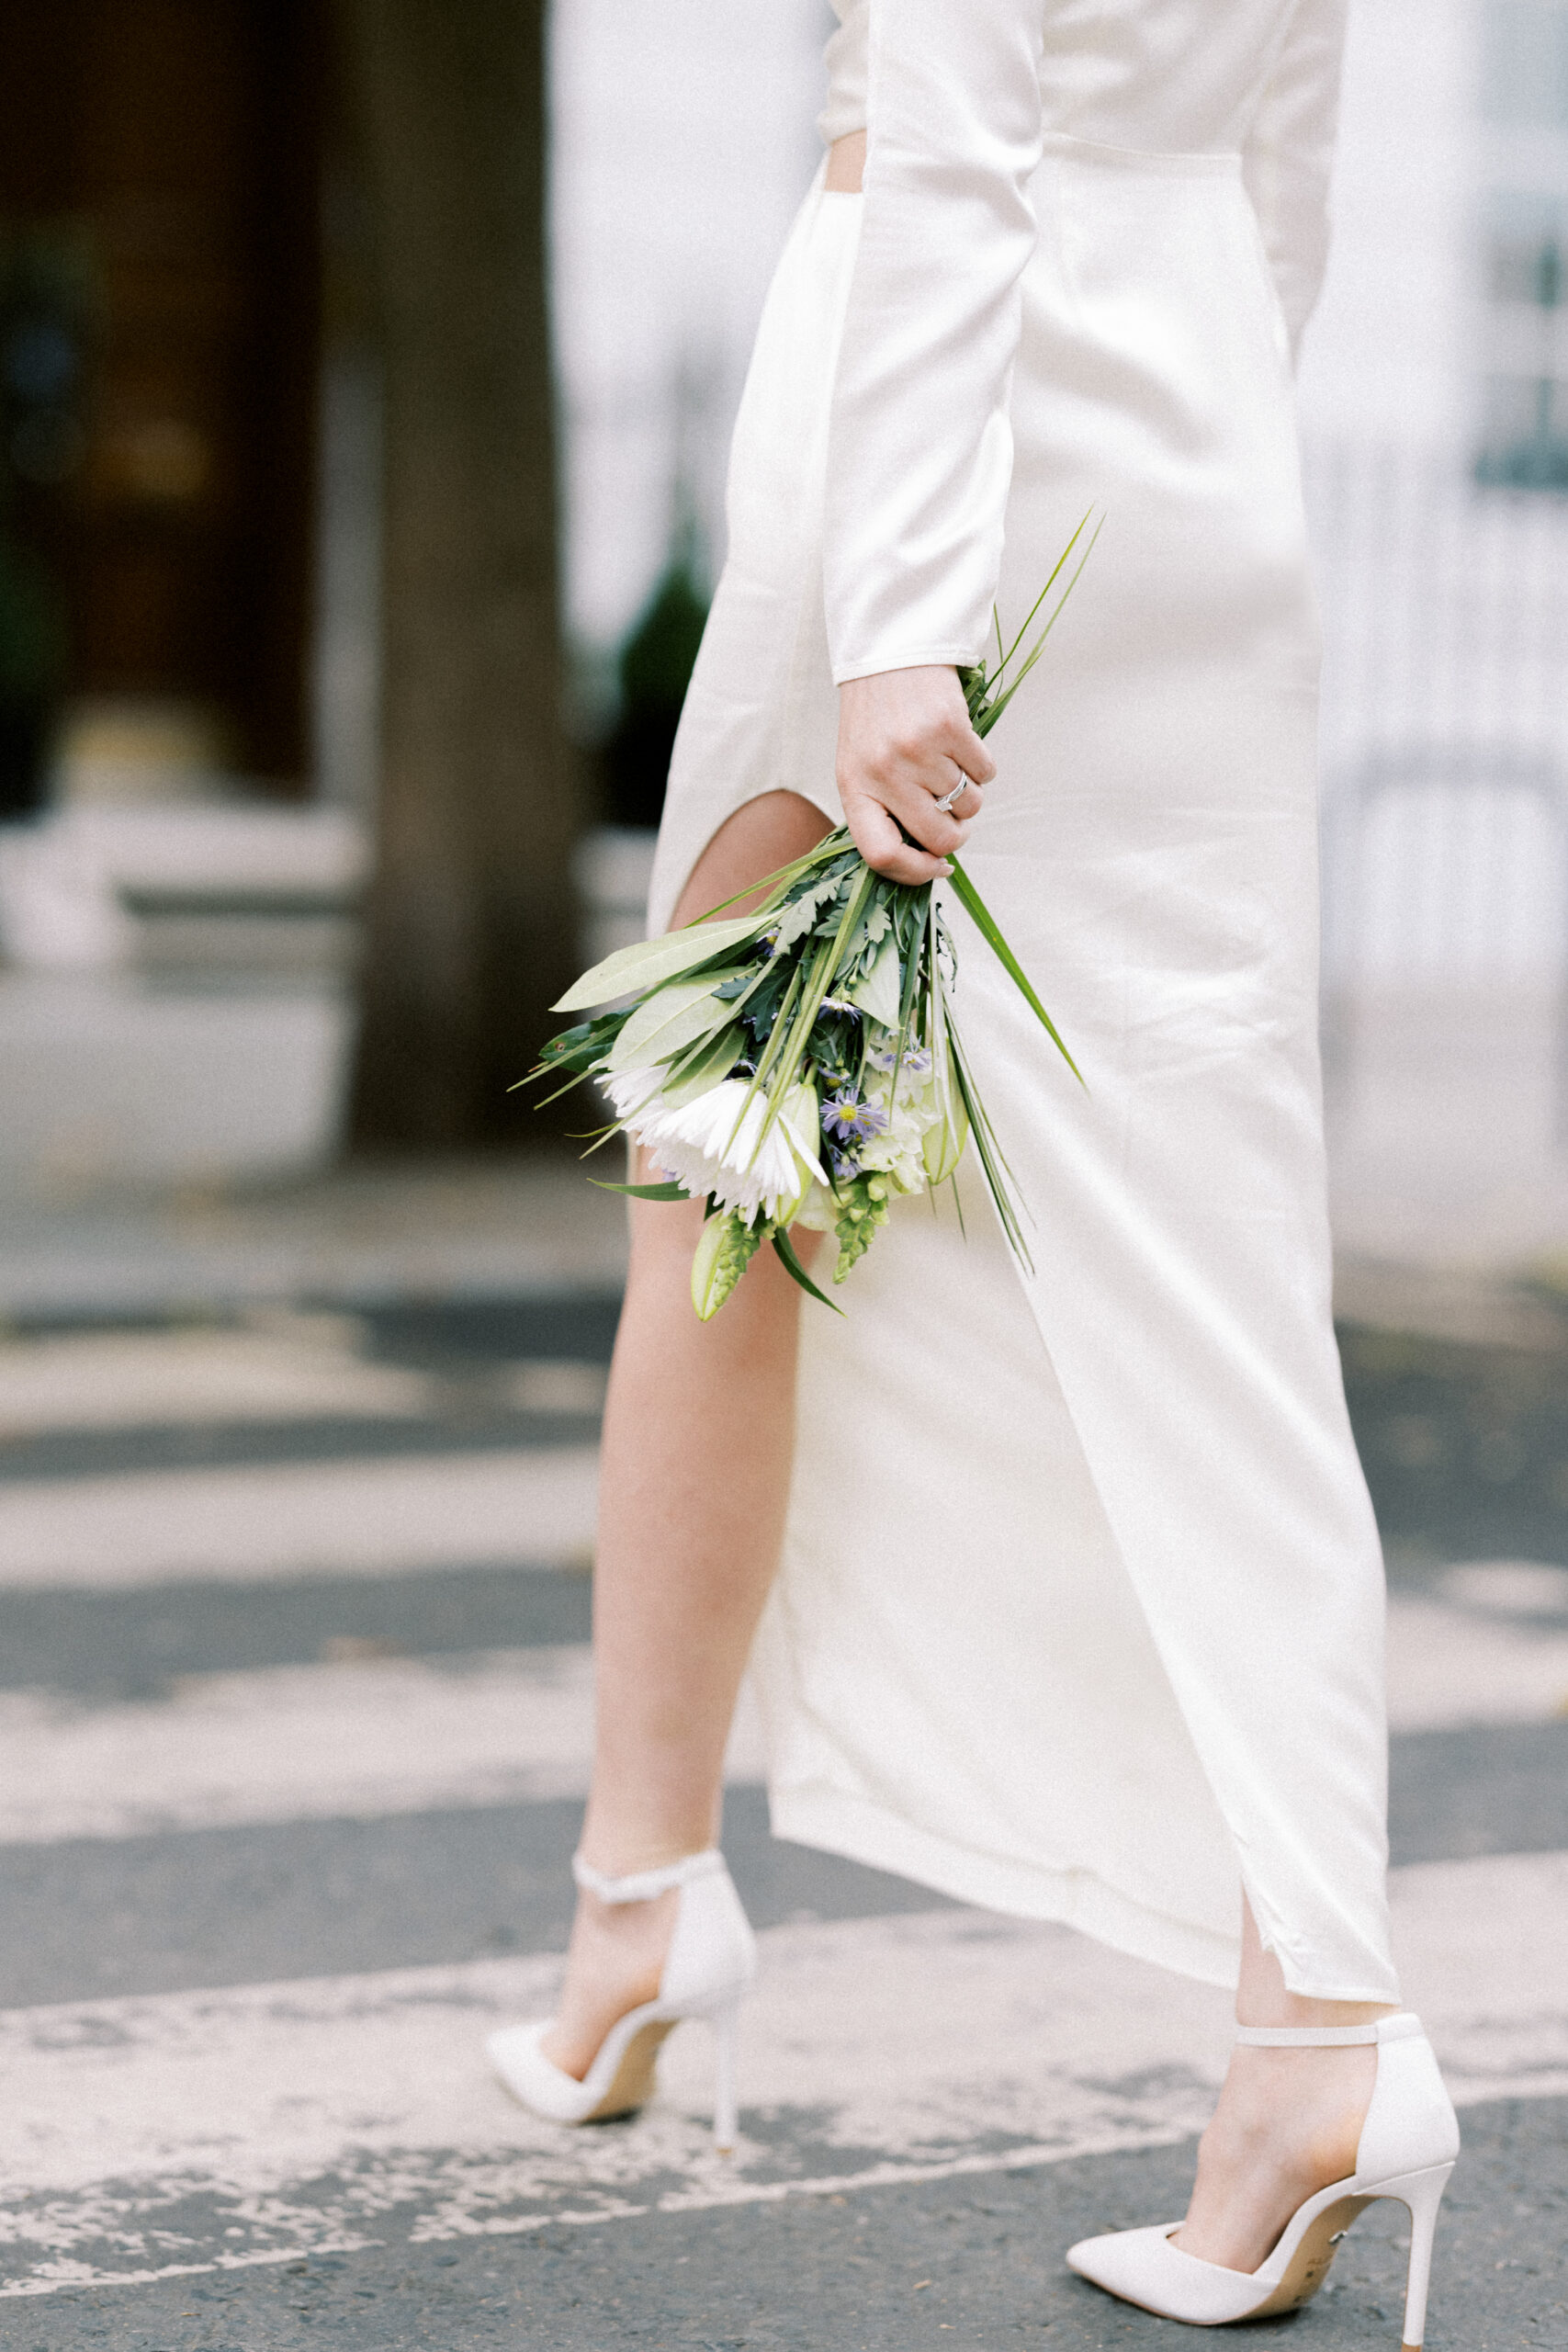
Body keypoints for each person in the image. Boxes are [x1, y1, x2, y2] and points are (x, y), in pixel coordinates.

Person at [489, 1, 1461, 2337]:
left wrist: (901, 609)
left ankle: (648, 1896)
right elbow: (1290, 156)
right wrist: (1196, 448)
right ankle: (1289, 2012)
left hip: (932, 421)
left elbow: (945, 143)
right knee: (1202, 1252)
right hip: (1192, 430)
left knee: (727, 1156)